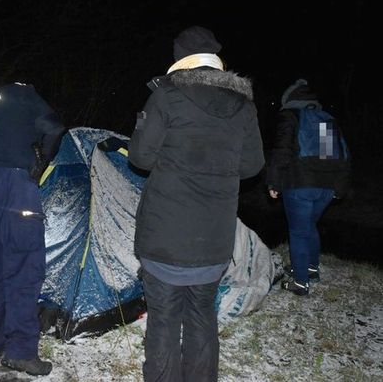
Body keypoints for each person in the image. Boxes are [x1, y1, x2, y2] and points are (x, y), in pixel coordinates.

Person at [128, 26, 265, 382]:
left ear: (180, 59)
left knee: (164, 320)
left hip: (164, 239)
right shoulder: (243, 105)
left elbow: (141, 157)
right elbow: (252, 165)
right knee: (202, 316)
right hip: (213, 241)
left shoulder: (166, 96)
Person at [0, 82, 65, 376]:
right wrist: (40, 164)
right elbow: (54, 128)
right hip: (12, 180)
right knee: (24, 264)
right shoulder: (23, 92)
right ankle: (20, 351)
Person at [266, 78, 351, 296]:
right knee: (309, 226)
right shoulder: (325, 120)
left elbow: (281, 151)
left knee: (298, 231)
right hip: (326, 185)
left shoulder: (290, 116)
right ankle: (311, 269)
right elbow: (334, 156)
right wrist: (339, 187)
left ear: (289, 99)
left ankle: (300, 282)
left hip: (299, 183)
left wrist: (274, 181)